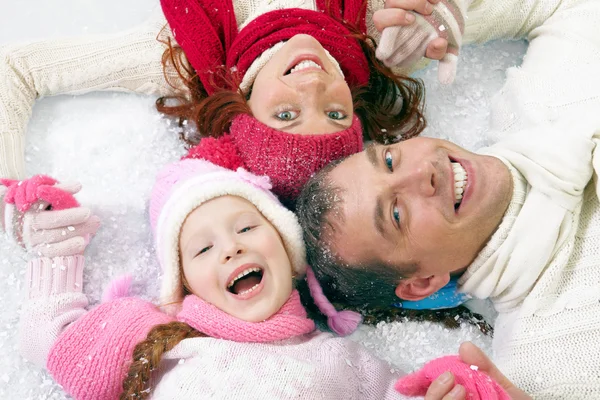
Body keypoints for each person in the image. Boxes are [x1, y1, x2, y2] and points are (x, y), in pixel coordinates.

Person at [9, 161, 518, 400]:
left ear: (291, 254)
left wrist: (451, 388)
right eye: (203, 249)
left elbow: (402, 395)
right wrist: (56, 240)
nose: (230, 247)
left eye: (248, 227)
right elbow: (48, 339)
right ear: (185, 286)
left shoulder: (343, 360)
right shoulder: (153, 337)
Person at [295, 0, 600, 397]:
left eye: (389, 159)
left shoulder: (534, 102)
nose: (422, 172)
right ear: (422, 283)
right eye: (397, 213)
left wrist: (443, 18)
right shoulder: (548, 357)